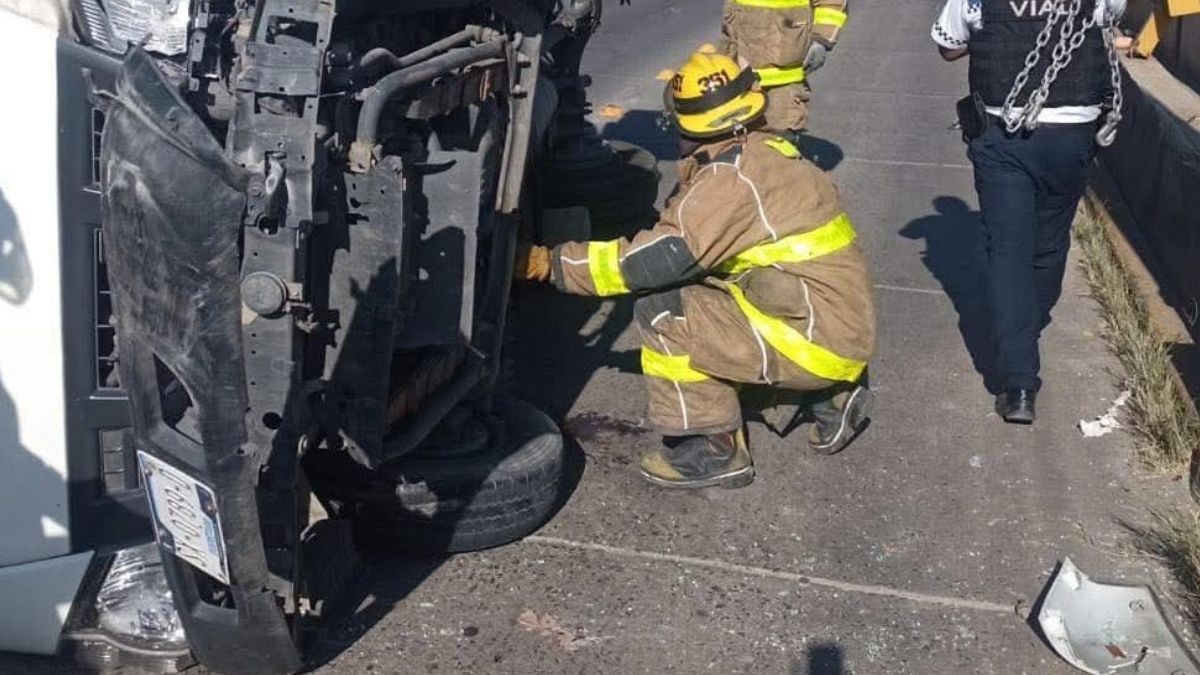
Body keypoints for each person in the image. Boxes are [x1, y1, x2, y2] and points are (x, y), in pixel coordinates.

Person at [516, 51, 875, 489]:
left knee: (665, 309)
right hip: (834, 323)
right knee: (710, 288)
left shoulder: (731, 182)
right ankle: (831, 396)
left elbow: (649, 263)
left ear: (693, 126)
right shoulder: (769, 151)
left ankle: (714, 449)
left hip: (814, 339)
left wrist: (547, 263)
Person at [932, 0, 1125, 424]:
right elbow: (1114, 17)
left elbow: (947, 44)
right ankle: (1023, 327)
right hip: (1073, 134)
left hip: (1004, 133)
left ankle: (1018, 382)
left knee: (1007, 251)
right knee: (1050, 242)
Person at [720, 0, 849, 136]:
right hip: (736, 72)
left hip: (782, 79)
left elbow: (833, 3)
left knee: (776, 142)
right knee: (729, 140)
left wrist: (821, 39)